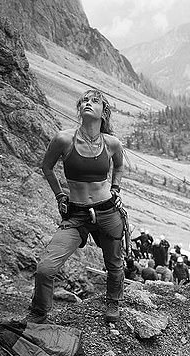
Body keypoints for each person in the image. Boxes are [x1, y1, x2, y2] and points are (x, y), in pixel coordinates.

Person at [26, 89, 125, 324]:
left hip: (108, 210)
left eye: (95, 101)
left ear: (104, 112)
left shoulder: (111, 143)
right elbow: (47, 167)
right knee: (45, 268)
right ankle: (40, 311)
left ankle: (113, 300)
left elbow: (119, 167)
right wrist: (60, 195)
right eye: (84, 101)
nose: (88, 104)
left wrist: (116, 188)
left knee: (114, 263)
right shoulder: (64, 139)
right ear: (79, 110)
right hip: (76, 213)